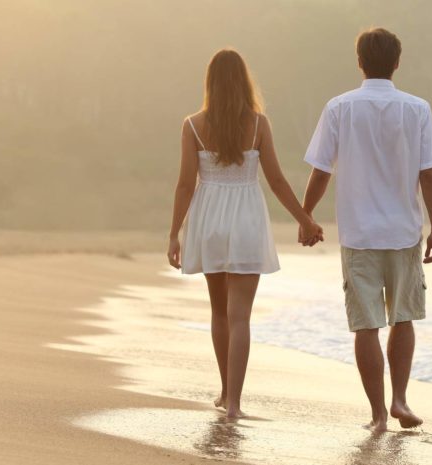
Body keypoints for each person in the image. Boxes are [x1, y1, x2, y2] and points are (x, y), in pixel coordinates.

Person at [301, 27, 432, 432]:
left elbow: (321, 170)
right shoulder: (417, 109)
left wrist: (306, 215)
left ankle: (379, 414)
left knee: (366, 324)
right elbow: (429, 175)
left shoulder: (339, 108)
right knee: (403, 318)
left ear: (359, 61)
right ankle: (400, 398)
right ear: (397, 62)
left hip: (360, 235)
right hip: (403, 232)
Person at [167, 49, 323, 420]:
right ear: (244, 81)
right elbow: (277, 181)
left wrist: (174, 234)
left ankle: (224, 392)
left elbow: (185, 185)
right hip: (247, 218)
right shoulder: (258, 124)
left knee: (219, 312)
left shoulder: (192, 125)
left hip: (208, 220)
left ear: (210, 83)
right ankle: (234, 402)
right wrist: (305, 219)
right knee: (240, 317)